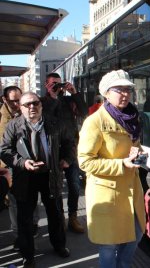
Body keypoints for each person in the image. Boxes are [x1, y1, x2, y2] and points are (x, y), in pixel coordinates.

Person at [78, 69, 146, 268]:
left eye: (128, 89)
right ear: (106, 93)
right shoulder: (94, 122)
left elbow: (133, 146)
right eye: (119, 89)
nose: (125, 94)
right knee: (108, 248)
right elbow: (85, 162)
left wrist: (138, 154)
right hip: (107, 194)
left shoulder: (131, 117)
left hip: (131, 191)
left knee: (137, 235)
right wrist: (121, 164)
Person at [0, 92, 74, 267]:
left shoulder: (55, 123)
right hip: (25, 177)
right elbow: (4, 150)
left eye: (36, 103)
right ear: (21, 107)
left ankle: (59, 246)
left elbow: (69, 142)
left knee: (55, 214)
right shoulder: (13, 126)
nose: (32, 107)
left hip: (51, 175)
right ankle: (28, 255)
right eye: (27, 104)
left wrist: (67, 159)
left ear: (41, 105)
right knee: (25, 219)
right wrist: (23, 163)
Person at [42, 72, 88, 233]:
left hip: (71, 148)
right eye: (53, 84)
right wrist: (53, 97)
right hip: (52, 150)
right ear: (46, 85)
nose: (57, 87)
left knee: (74, 185)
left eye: (59, 84)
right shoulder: (42, 102)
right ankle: (60, 218)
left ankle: (73, 217)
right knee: (55, 188)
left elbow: (84, 113)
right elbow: (45, 117)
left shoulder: (69, 101)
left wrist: (74, 93)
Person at [0, 86, 40, 250]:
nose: (17, 104)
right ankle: (19, 236)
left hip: (30, 164)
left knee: (32, 197)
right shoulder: (2, 118)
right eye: (13, 101)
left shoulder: (28, 111)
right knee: (15, 202)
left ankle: (33, 225)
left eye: (19, 99)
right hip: (8, 167)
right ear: (4, 100)